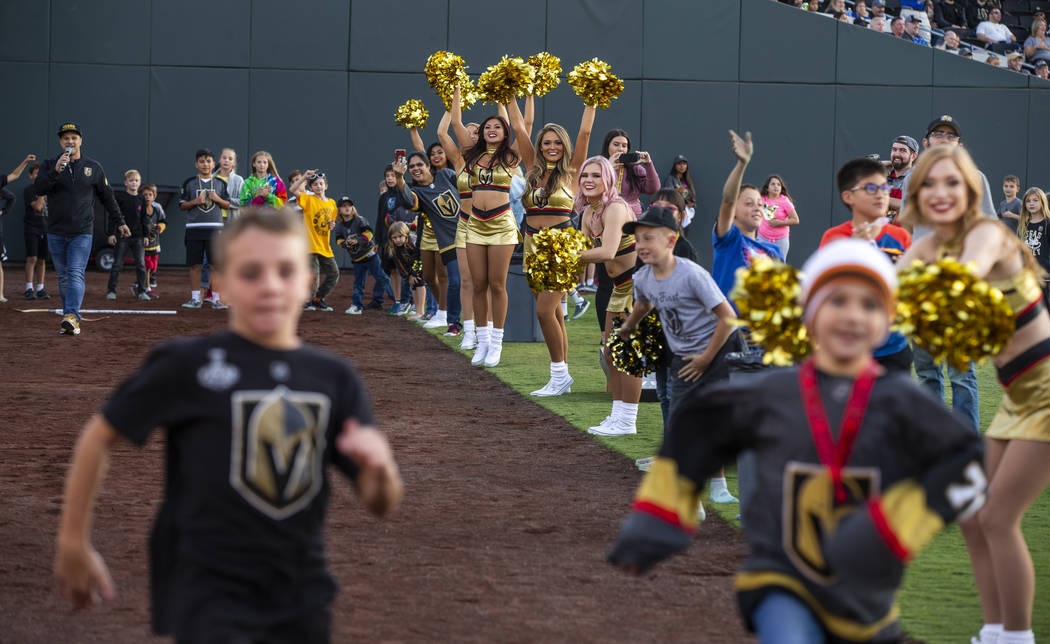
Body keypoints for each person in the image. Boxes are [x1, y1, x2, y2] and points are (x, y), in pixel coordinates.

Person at [606, 238, 987, 643]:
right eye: (836, 301)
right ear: (807, 313)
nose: (853, 316)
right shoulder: (769, 394)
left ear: (890, 321)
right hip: (779, 580)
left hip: (869, 600)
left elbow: (969, 462)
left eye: (870, 305)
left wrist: (894, 525)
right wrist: (658, 519)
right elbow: (699, 429)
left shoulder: (901, 401)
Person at [54, 207, 403, 643]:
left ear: (308, 280)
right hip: (207, 589)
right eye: (251, 272)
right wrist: (72, 542)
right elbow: (99, 437)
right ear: (220, 282)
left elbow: (380, 502)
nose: (270, 285)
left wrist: (380, 468)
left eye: (285, 270)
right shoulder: (187, 365)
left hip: (302, 594)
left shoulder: (334, 380)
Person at [897, 145, 1050, 644]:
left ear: (971, 191)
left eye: (952, 183)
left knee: (999, 516)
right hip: (1017, 398)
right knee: (971, 510)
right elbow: (881, 293)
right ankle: (993, 629)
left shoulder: (985, 233)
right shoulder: (922, 249)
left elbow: (969, 271)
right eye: (930, 184)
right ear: (916, 193)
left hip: (1046, 392)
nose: (941, 194)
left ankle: (1018, 637)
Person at [618, 205, 743, 508]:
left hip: (721, 349)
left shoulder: (691, 275)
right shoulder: (643, 277)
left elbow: (728, 319)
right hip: (685, 356)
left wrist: (706, 358)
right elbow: (644, 303)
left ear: (671, 241)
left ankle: (717, 485)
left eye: (649, 238)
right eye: (638, 239)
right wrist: (629, 326)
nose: (642, 245)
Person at [899, 115, 994, 431]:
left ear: (959, 144)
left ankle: (965, 440)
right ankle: (933, 437)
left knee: (961, 371)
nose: (943, 138)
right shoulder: (913, 180)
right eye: (937, 133)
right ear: (926, 142)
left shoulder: (975, 178)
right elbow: (907, 229)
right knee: (926, 370)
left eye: (950, 135)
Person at [508, 95, 596, 397]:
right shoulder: (532, 168)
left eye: (556, 142)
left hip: (561, 242)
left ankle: (558, 374)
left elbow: (584, 133)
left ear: (564, 145)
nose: (551, 147)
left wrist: (592, 98)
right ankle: (563, 375)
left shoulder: (572, 171)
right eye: (546, 142)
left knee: (545, 312)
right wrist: (509, 92)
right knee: (554, 313)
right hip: (532, 243)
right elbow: (518, 127)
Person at [820, 157, 914, 372]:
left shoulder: (900, 237)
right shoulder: (834, 238)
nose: (881, 194)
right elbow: (826, 293)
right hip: (846, 348)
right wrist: (853, 251)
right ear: (848, 196)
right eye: (871, 188)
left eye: (884, 187)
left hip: (893, 349)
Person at [35, 123, 127, 333]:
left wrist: (120, 221)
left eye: (74, 138)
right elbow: (38, 189)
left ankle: (71, 316)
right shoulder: (50, 164)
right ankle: (72, 319)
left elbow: (108, 197)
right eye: (66, 138)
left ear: (80, 141)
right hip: (56, 230)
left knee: (75, 272)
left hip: (82, 231)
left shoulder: (93, 167)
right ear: (61, 142)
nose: (70, 142)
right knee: (63, 276)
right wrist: (56, 171)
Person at [575, 156, 642, 436]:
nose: (589, 180)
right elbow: (580, 251)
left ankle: (628, 421)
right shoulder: (587, 214)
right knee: (610, 353)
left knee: (628, 354)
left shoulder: (616, 207)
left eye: (596, 175)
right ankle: (617, 415)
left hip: (638, 284)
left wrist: (566, 255)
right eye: (584, 175)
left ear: (609, 179)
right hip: (616, 286)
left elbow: (607, 252)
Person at [458, 111, 522, 366]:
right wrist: (454, 87)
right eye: (488, 127)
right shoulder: (471, 155)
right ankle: (482, 341)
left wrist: (508, 95)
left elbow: (522, 124)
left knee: (497, 284)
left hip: (501, 225)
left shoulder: (510, 157)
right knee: (478, 283)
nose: (492, 130)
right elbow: (454, 123)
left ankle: (497, 343)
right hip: (475, 225)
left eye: (498, 126)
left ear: (506, 132)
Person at [592, 129, 661, 333]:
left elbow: (652, 188)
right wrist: (609, 168)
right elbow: (594, 190)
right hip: (605, 223)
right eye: (616, 144)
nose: (621, 149)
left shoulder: (635, 169)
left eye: (624, 146)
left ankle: (631, 327)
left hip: (631, 224)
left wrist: (648, 164)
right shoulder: (600, 166)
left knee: (632, 277)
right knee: (606, 279)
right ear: (607, 147)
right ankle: (605, 332)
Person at [392, 153, 463, 336]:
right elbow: (409, 200)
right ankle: (448, 316)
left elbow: (466, 190)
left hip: (467, 234)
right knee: (436, 278)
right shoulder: (418, 193)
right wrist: (399, 176)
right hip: (444, 239)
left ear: (428, 166)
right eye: (412, 166)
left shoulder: (445, 175)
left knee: (460, 281)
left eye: (419, 165)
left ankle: (462, 321)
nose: (416, 169)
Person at [712, 130, 783, 300]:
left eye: (760, 204)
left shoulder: (773, 250)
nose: (757, 208)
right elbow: (728, 200)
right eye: (748, 203)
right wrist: (742, 164)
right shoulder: (730, 240)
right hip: (728, 324)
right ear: (733, 212)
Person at [179, 149, 231, 309]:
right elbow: (181, 205)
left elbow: (228, 205)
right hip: (194, 228)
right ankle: (195, 299)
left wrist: (217, 199)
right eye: (201, 161)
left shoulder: (221, 183)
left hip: (215, 229)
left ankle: (216, 300)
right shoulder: (189, 182)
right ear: (196, 164)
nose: (205, 164)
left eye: (208, 161)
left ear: (213, 164)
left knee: (216, 265)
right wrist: (195, 201)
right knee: (195, 265)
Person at [287, 171, 340, 312]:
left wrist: (332, 225)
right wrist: (304, 177)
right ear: (311, 188)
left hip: (324, 246)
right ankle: (308, 301)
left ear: (326, 186)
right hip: (310, 245)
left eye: (321, 183)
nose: (318, 186)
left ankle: (318, 298)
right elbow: (292, 190)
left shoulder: (332, 204)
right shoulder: (308, 200)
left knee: (334, 273)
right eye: (315, 184)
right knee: (313, 275)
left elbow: (331, 221)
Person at [334, 196, 393, 314]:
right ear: (339, 209)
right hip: (357, 259)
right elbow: (339, 241)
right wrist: (346, 244)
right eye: (344, 206)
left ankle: (399, 301)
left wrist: (357, 241)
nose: (347, 208)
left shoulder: (360, 220)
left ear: (353, 207)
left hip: (370, 256)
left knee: (382, 279)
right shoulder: (339, 226)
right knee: (358, 284)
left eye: (349, 205)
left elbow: (369, 233)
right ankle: (357, 306)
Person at [105, 170, 151, 301]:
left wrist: (146, 235)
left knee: (141, 265)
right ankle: (111, 291)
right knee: (117, 264)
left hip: (138, 237)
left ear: (140, 182)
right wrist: (111, 234)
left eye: (136, 180)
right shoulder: (120, 198)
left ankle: (142, 291)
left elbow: (144, 218)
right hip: (122, 236)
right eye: (131, 181)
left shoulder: (141, 199)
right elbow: (113, 217)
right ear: (126, 183)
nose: (134, 183)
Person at [1016, 187, 1050, 303]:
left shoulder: (1047, 224)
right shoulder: (1023, 225)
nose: (1031, 203)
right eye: (1028, 201)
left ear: (1042, 202)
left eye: (1035, 200)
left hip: (1044, 275)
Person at [386, 220, 426, 320]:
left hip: (421, 265)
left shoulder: (412, 243)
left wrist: (414, 273)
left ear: (406, 235)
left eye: (400, 236)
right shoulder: (394, 248)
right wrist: (408, 276)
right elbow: (400, 264)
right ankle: (417, 311)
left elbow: (420, 256)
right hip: (411, 269)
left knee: (419, 283)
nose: (398, 240)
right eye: (394, 238)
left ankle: (421, 312)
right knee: (413, 285)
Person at [22, 163, 50, 301]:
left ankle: (40, 288)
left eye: (41, 173)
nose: (39, 176)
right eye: (36, 173)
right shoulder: (29, 190)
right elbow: (38, 207)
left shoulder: (50, 190)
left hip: (45, 228)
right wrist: (42, 191)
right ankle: (28, 288)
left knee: (42, 259)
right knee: (32, 258)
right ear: (31, 175)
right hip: (31, 227)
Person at [757, 174, 799, 259]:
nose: (776, 186)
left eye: (778, 184)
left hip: (781, 240)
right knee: (760, 266)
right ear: (767, 188)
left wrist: (779, 223)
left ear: (781, 188)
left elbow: (796, 220)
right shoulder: (761, 199)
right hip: (762, 238)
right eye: (773, 184)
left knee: (778, 267)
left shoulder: (785, 201)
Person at [141, 183, 165, 296]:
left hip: (155, 242)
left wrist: (159, 228)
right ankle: (147, 287)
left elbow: (163, 221)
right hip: (143, 242)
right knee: (147, 266)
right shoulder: (139, 208)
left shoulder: (157, 208)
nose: (147, 197)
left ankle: (141, 283)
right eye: (145, 194)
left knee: (153, 266)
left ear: (154, 196)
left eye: (150, 194)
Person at [887, 135, 919, 221]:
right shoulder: (884, 176)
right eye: (894, 149)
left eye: (903, 150)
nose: (897, 154)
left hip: (907, 232)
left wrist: (880, 199)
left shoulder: (918, 177)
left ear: (913, 156)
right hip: (881, 231)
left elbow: (912, 207)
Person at [663, 154, 697, 232]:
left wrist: (691, 203)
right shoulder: (670, 179)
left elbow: (691, 197)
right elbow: (668, 196)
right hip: (675, 214)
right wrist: (676, 191)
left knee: (683, 238)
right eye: (679, 164)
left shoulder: (687, 180)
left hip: (686, 214)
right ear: (675, 166)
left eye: (684, 164)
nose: (682, 166)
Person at [215, 147, 244, 222]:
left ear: (234, 163)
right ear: (219, 160)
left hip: (231, 221)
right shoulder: (211, 178)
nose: (226, 160)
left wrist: (223, 200)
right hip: (213, 220)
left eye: (230, 159)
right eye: (224, 158)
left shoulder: (238, 180)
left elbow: (242, 201)